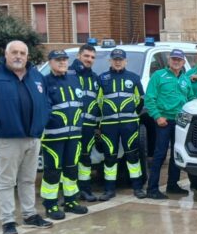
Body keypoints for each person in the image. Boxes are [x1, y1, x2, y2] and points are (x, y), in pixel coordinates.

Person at [0, 41, 53, 234]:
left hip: (33, 137)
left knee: (28, 179)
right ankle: (8, 220)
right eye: (14, 52)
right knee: (7, 181)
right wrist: (0, 120)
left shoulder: (36, 76)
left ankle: (29, 215)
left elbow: (46, 102)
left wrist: (41, 121)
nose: (18, 56)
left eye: (22, 53)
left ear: (27, 56)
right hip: (8, 138)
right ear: (7, 54)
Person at [41, 50, 89, 219]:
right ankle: (50, 204)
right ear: (50, 62)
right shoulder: (44, 82)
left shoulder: (74, 80)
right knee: (53, 171)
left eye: (64, 60)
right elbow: (43, 109)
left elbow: (80, 105)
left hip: (74, 135)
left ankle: (70, 201)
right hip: (53, 137)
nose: (62, 62)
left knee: (71, 169)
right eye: (58, 60)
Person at [96, 49, 147, 200]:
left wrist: (132, 115)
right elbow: (97, 102)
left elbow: (141, 100)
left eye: (120, 59)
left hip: (129, 124)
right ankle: (109, 189)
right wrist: (99, 122)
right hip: (109, 125)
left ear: (126, 61)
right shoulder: (102, 78)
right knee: (109, 156)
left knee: (132, 156)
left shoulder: (134, 78)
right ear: (109, 61)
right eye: (115, 59)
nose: (118, 62)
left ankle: (137, 188)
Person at [145, 49, 192, 199]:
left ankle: (173, 185)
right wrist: (158, 117)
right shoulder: (159, 76)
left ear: (183, 62)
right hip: (164, 121)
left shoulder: (185, 80)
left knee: (176, 155)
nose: (176, 62)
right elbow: (149, 99)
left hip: (180, 122)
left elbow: (190, 100)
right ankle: (152, 189)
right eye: (174, 59)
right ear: (169, 61)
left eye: (179, 59)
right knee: (160, 154)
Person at [70, 44, 101, 202]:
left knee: (85, 158)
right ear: (78, 56)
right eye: (86, 56)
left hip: (88, 126)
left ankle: (85, 190)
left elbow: (99, 102)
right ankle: (70, 193)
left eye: (92, 57)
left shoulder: (95, 78)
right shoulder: (68, 74)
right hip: (70, 126)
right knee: (69, 160)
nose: (89, 59)